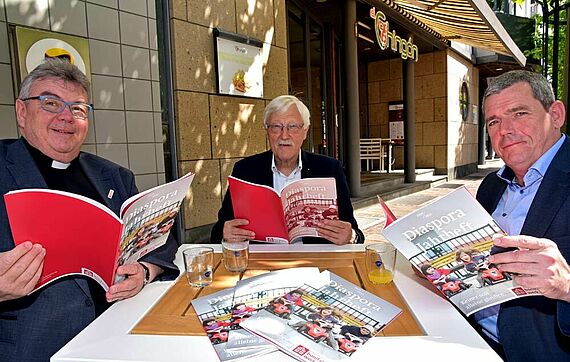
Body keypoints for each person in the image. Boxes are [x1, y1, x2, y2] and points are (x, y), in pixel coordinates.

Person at [0, 59, 179, 361]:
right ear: (21, 111)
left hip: (122, 335)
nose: (66, 117)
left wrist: (145, 271)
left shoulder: (115, 176)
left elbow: (161, 238)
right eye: (51, 103)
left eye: (78, 108)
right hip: (33, 347)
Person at [476, 70, 570, 360]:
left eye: (518, 113)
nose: (505, 130)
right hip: (471, 338)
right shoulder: (491, 185)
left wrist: (567, 287)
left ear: (555, 114)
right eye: (494, 121)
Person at [211, 95, 364, 244]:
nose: (284, 135)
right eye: (276, 127)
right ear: (267, 131)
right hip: (261, 264)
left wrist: (351, 236)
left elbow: (355, 233)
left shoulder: (330, 169)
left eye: (293, 127)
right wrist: (224, 234)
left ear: (305, 131)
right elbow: (217, 232)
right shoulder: (245, 170)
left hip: (315, 264)